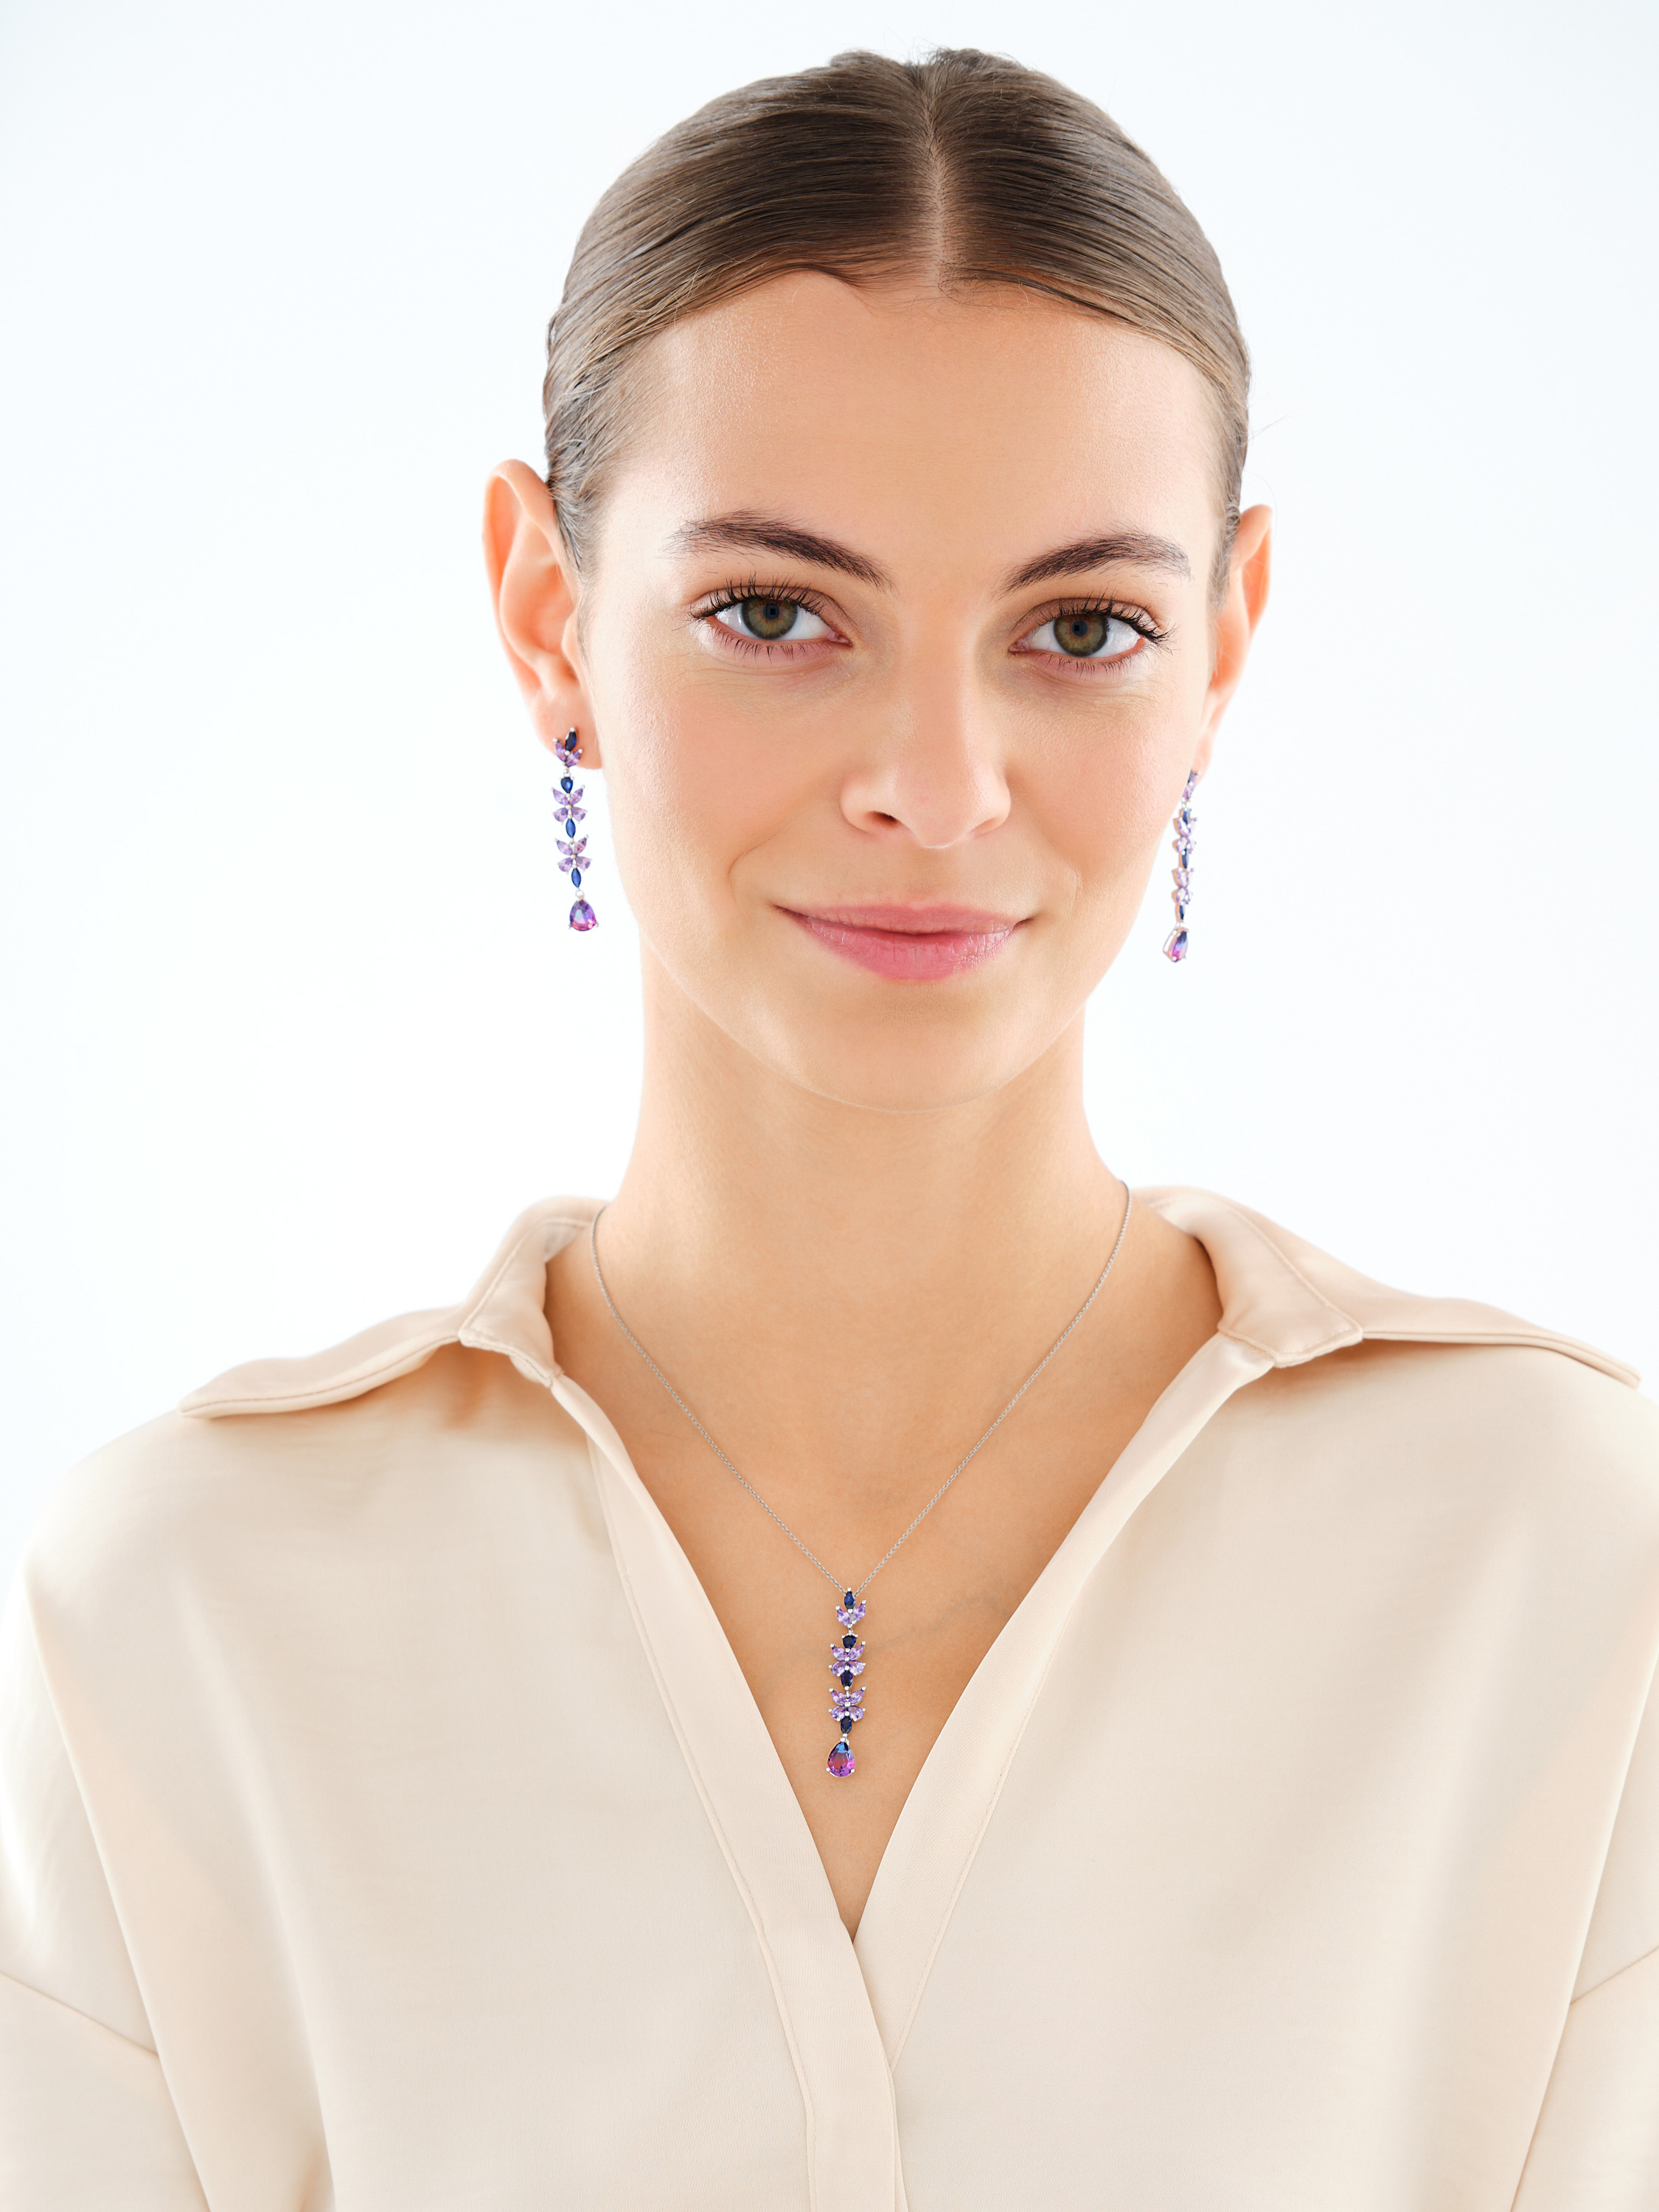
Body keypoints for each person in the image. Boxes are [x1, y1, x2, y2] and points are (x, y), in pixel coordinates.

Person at [1, 46, 1654, 2210]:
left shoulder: (1566, 1565)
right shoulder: (183, 1613)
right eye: (775, 615)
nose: (936, 789)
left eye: (1082, 629)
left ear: (1224, 647)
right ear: (545, 614)